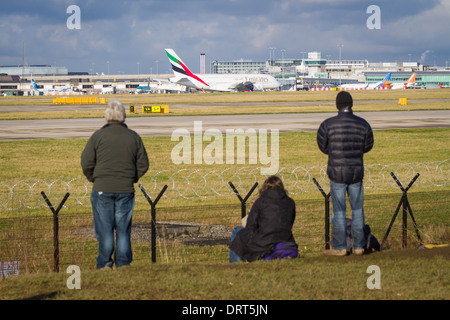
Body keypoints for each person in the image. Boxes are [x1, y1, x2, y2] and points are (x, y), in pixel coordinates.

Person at [81, 100, 149, 269]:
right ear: (124, 117)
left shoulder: (98, 136)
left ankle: (105, 263)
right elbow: (143, 164)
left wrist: (95, 179)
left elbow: (86, 162)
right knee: (123, 230)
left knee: (105, 230)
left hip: (102, 189)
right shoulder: (133, 137)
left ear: (105, 117)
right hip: (125, 189)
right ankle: (124, 264)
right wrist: (131, 178)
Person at [317, 91, 374, 256]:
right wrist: (356, 152)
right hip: (356, 172)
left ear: (337, 105)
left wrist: (334, 152)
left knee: (339, 212)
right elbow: (368, 146)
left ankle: (340, 247)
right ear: (351, 104)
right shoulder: (363, 124)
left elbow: (322, 146)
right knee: (357, 211)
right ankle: (359, 247)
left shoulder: (327, 124)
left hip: (337, 172)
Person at [229, 175, 296, 262]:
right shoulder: (290, 202)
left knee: (237, 231)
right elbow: (290, 222)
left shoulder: (260, 202)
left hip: (265, 242)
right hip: (286, 239)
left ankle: (235, 263)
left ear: (264, 187)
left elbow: (250, 226)